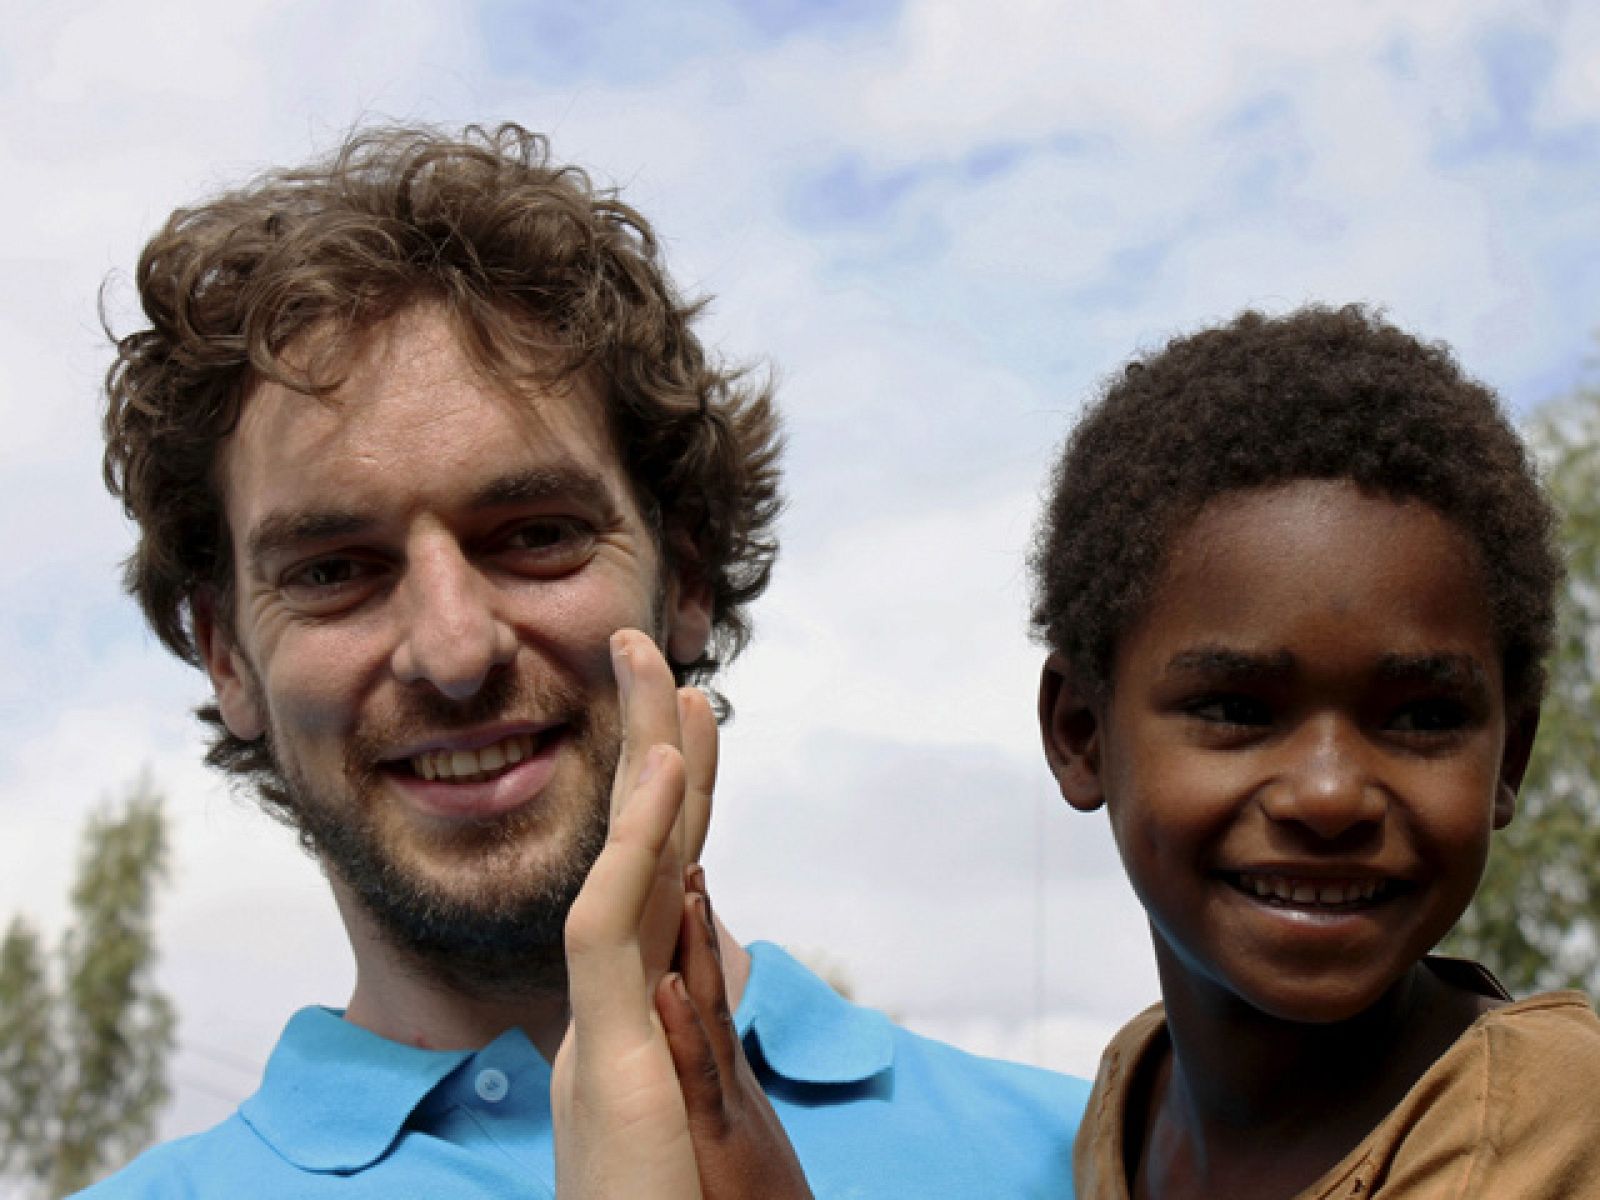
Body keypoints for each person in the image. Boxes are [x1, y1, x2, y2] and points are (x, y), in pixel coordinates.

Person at [82, 122, 1089, 1198]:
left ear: (687, 576)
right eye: (334, 571)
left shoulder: (1090, 1160)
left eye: (535, 535)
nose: (455, 650)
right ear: (226, 657)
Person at [1030, 306, 1600, 1198]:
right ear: (1080, 735)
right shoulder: (1131, 1092)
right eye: (1234, 707)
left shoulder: (1549, 1118)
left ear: (1510, 758)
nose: (1331, 795)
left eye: (1420, 718)